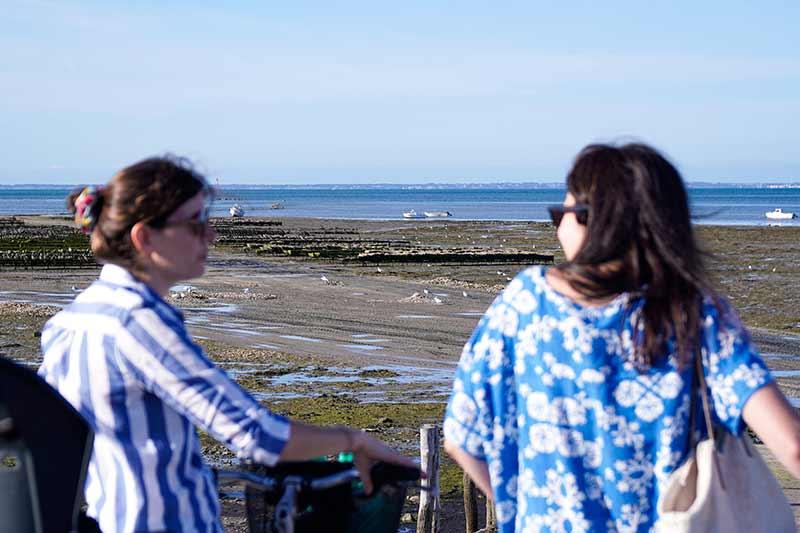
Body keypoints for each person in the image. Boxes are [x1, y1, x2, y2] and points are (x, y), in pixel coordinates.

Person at [38, 155, 416, 533]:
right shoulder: (139, 321)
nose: (211, 235)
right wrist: (354, 440)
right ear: (144, 237)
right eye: (194, 223)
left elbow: (53, 442)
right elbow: (259, 437)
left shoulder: (69, 321)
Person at [442, 142, 800, 532]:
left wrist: (532, 509)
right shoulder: (694, 312)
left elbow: (461, 437)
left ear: (590, 220)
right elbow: (792, 445)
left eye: (561, 213)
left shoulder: (523, 306)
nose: (559, 225)